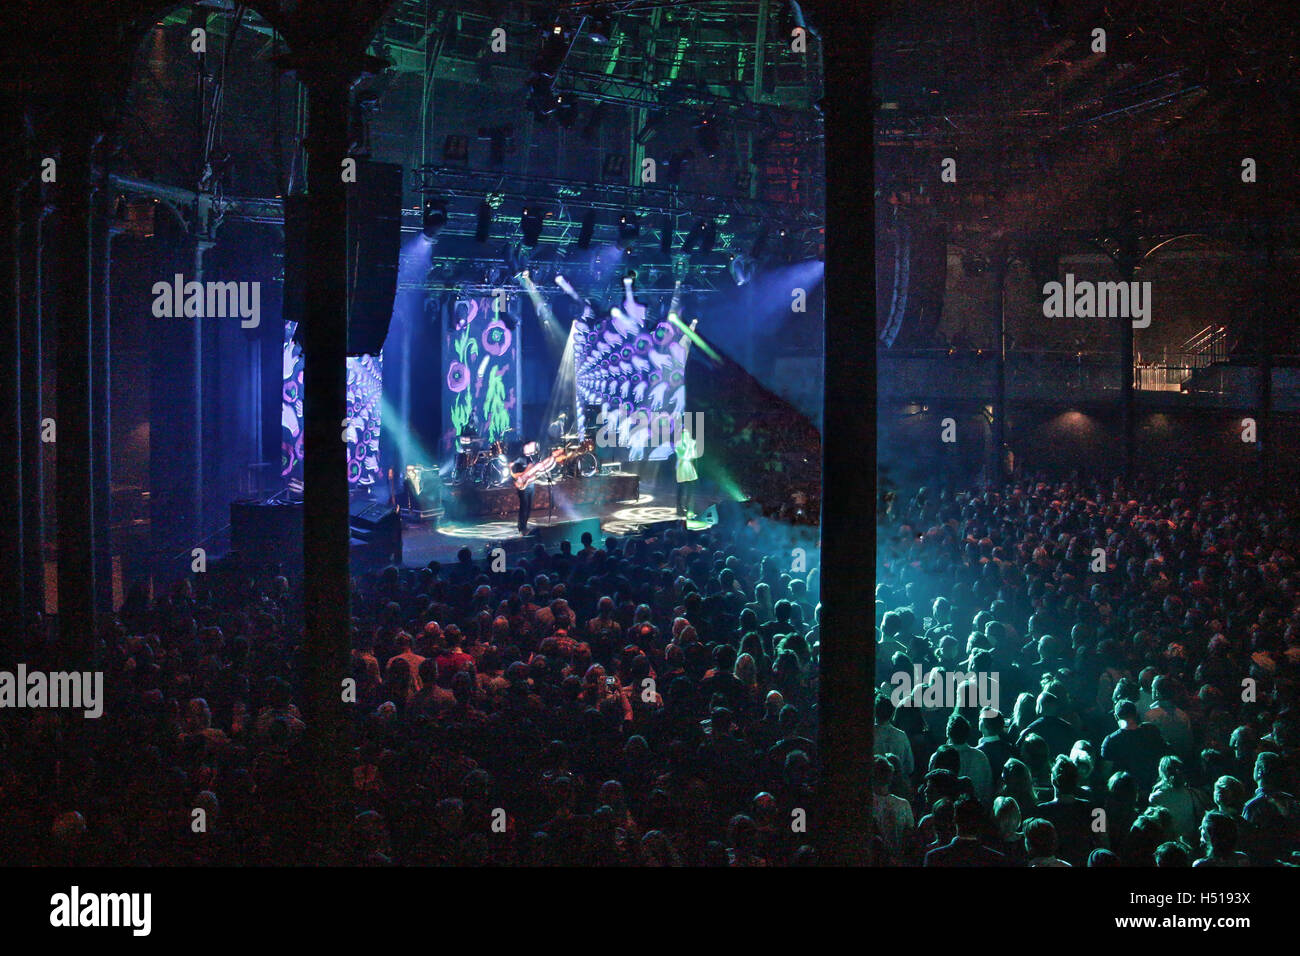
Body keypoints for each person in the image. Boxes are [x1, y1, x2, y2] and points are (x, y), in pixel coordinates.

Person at [675, 423, 699, 518]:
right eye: (684, 432)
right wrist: (689, 447)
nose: (686, 433)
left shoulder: (691, 443)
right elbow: (682, 456)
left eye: (687, 431)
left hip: (688, 466)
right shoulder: (679, 444)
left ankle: (689, 508)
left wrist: (692, 447)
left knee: (691, 488)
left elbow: (693, 456)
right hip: (682, 466)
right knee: (681, 488)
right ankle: (679, 508)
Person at [510, 458, 535, 536]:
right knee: (524, 507)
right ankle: (522, 528)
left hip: (531, 484)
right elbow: (513, 474)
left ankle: (525, 525)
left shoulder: (530, 458)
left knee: (528, 507)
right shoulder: (518, 459)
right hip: (522, 486)